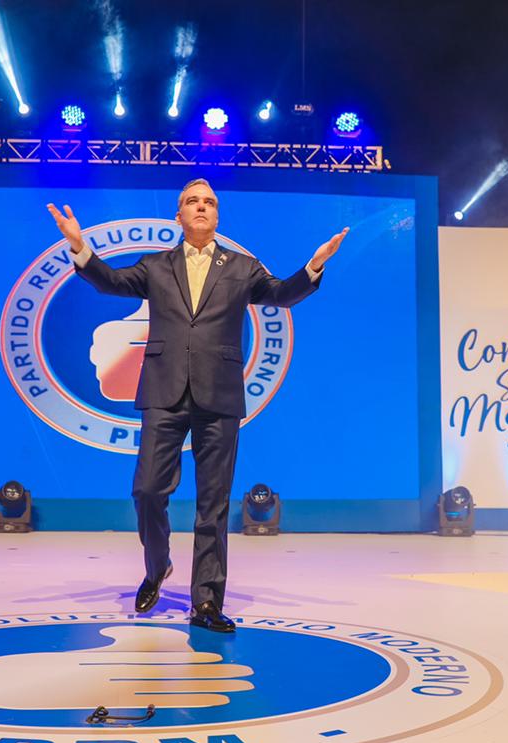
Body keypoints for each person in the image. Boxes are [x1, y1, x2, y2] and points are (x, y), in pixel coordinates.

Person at [46, 179, 347, 632]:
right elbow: (110, 282)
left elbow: (281, 294)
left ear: (217, 216)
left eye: (209, 202)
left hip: (219, 395)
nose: (201, 207)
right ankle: (157, 567)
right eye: (192, 202)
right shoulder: (155, 265)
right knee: (148, 491)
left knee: (213, 503)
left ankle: (206, 602)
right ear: (179, 216)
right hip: (163, 392)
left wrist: (314, 266)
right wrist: (79, 247)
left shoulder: (243, 267)